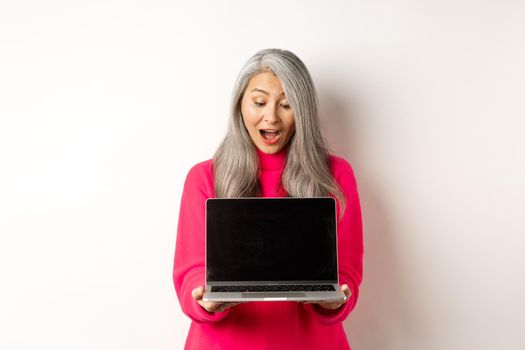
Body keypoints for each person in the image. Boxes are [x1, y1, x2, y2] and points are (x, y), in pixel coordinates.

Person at [173, 48, 363, 349]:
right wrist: (203, 298)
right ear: (240, 105)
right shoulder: (204, 177)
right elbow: (191, 273)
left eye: (286, 105)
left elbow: (347, 274)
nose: (271, 117)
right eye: (259, 102)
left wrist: (334, 300)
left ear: (303, 112)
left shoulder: (335, 174)